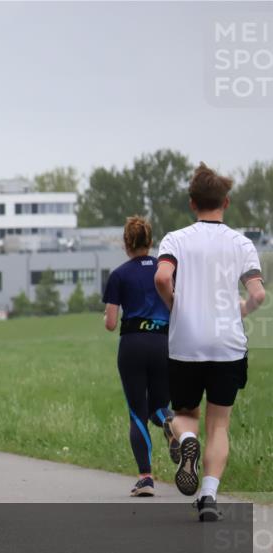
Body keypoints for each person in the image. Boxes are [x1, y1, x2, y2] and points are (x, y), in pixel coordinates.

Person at [154, 163, 266, 521]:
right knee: (219, 425)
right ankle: (208, 497)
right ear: (226, 202)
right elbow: (259, 294)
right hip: (228, 345)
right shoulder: (241, 243)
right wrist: (243, 310)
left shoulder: (175, 239)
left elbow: (161, 277)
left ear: (192, 203)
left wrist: (175, 306)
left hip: (186, 343)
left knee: (185, 414)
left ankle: (186, 442)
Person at [102, 216, 173, 497]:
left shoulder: (119, 275)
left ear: (126, 243)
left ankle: (145, 477)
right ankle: (170, 424)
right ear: (150, 241)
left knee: (137, 413)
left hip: (132, 345)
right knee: (159, 406)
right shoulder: (165, 270)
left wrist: (105, 317)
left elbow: (110, 323)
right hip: (163, 343)